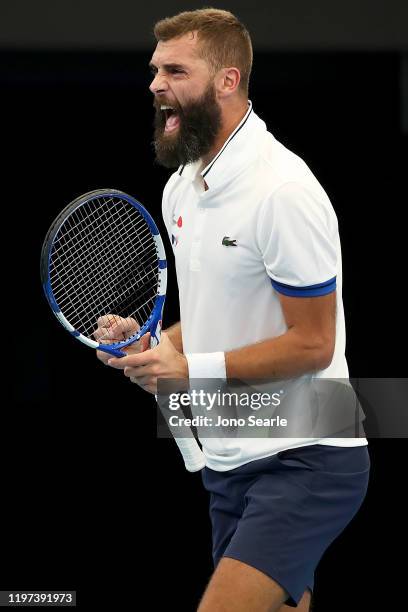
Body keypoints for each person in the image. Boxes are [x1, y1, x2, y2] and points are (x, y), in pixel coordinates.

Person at [95, 9, 370, 612]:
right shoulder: (181, 187)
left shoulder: (283, 192)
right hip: (229, 462)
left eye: (175, 70)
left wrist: (191, 371)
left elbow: (313, 345)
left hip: (307, 456)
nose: (154, 84)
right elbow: (217, 315)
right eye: (153, 70)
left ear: (228, 80)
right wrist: (156, 346)